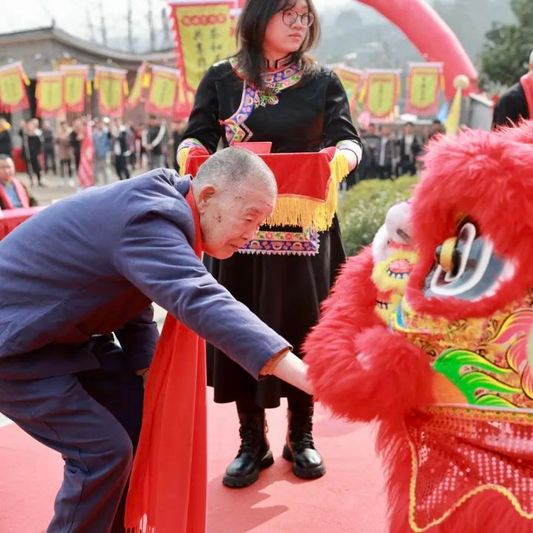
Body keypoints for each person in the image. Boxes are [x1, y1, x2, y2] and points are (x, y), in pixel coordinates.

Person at [0, 147, 312, 533]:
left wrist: (147, 370)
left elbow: (130, 298)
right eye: (249, 218)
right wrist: (309, 375)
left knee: (139, 418)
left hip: (63, 335)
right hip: (14, 343)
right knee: (102, 451)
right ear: (209, 195)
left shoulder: (165, 201)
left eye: (260, 223)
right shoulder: (150, 217)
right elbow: (199, 297)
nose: (251, 235)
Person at [179, 0, 361, 487]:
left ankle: (300, 436)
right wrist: (194, 156)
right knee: (242, 327)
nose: (301, 24)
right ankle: (251, 441)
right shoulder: (222, 77)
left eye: (305, 16)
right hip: (238, 231)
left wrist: (337, 161)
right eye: (290, 14)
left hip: (303, 230)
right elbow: (194, 139)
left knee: (304, 329)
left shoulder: (322, 79)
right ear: (260, 17)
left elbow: (348, 138)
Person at [22, 118, 43, 187]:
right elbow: (19, 132)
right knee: (29, 168)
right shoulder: (25, 134)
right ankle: (31, 181)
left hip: (35, 153)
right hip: (27, 153)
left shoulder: (36, 134)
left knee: (37, 167)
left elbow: (39, 144)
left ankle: (39, 181)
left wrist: (38, 153)